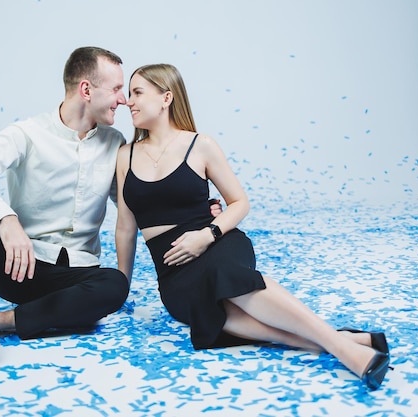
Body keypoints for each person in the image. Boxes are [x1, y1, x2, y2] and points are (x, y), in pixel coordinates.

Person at [114, 63, 391, 390]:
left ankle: (346, 352)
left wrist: (207, 235)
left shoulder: (199, 145)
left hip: (218, 244)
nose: (127, 101)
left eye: (137, 92)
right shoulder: (125, 156)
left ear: (166, 98)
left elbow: (240, 202)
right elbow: (125, 228)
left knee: (223, 277)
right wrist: (122, 285)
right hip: (174, 273)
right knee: (213, 313)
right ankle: (344, 341)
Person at [0, 46, 132, 392]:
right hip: (18, 266)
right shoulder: (27, 133)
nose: (123, 100)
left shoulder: (115, 143)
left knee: (116, 285)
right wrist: (6, 219)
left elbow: (135, 203)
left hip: (75, 277)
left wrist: (199, 212)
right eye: (117, 89)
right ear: (86, 90)